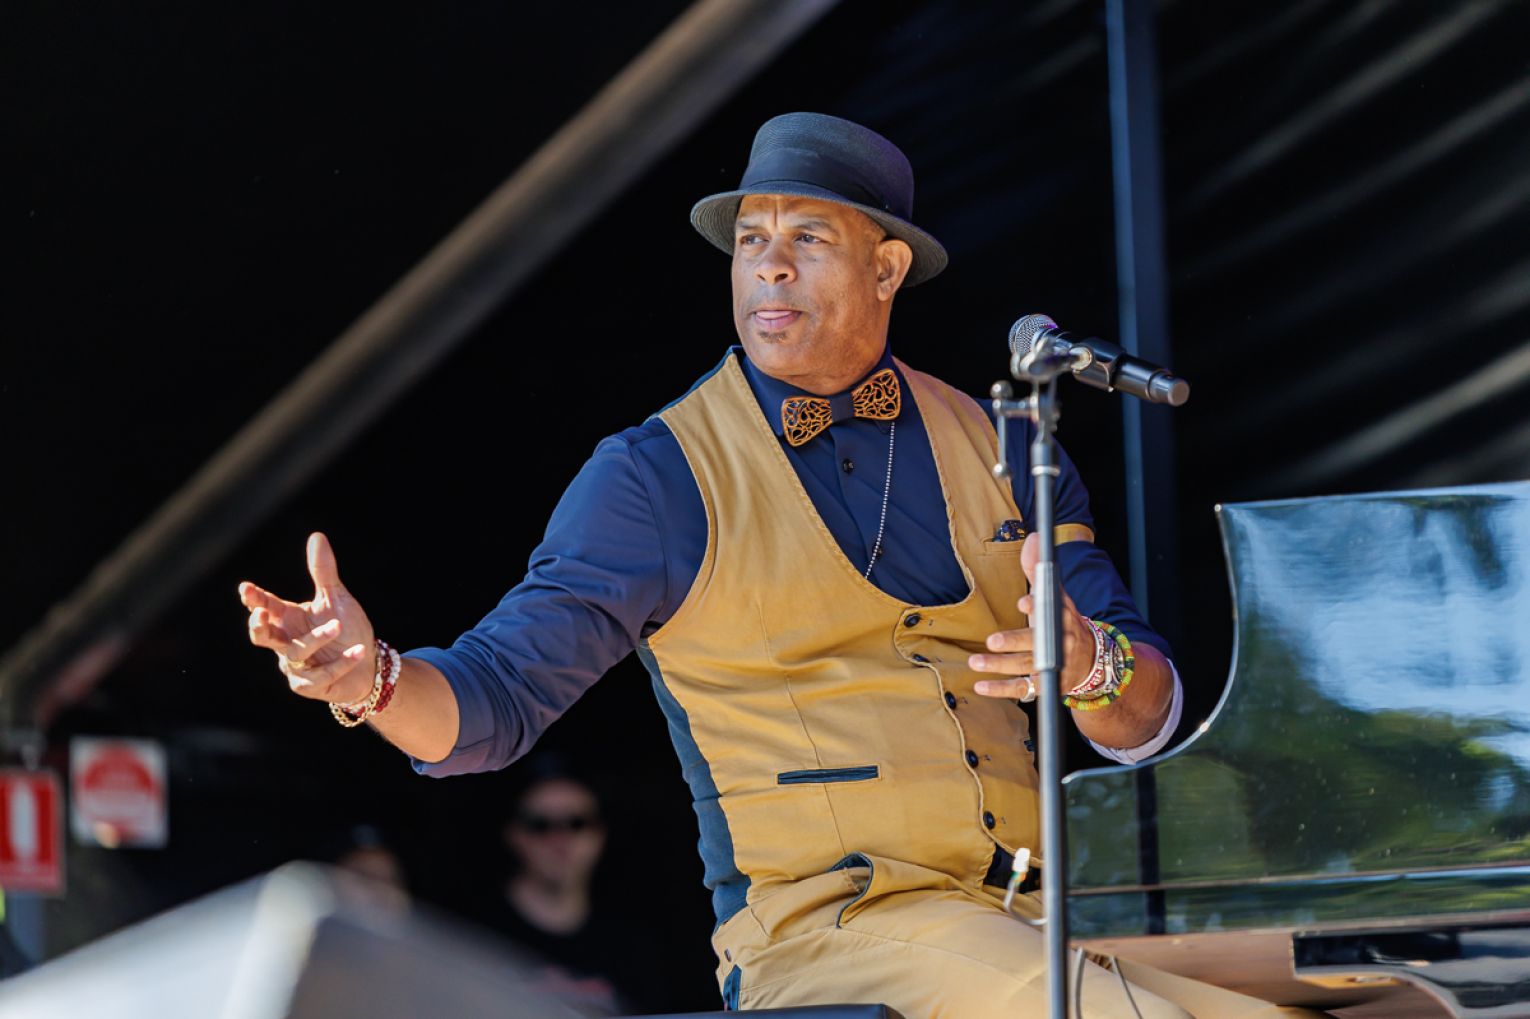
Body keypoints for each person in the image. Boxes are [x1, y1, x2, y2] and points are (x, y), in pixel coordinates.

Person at [240, 113, 1321, 1017]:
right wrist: (368, 676)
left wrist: (1090, 666)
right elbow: (492, 701)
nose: (769, 262)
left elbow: (1149, 712)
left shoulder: (1007, 444)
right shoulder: (656, 476)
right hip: (830, 929)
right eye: (752, 237)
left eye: (807, 235)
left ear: (887, 267)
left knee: (1347, 992)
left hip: (1038, 907)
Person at [462, 760, 671, 1015]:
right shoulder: (470, 935)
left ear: (600, 834)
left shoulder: (632, 947)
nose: (560, 840)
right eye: (540, 824)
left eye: (577, 823)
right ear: (513, 834)